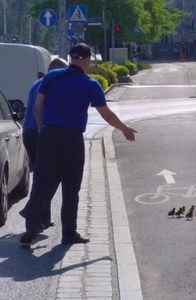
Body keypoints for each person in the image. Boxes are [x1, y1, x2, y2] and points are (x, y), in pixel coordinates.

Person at [20, 43, 137, 246]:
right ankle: (68, 233)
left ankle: (31, 227)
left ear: (71, 58)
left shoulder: (51, 77)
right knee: (71, 185)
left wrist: (42, 129)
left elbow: (38, 106)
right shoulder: (90, 84)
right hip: (72, 138)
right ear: (86, 60)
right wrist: (124, 128)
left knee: (42, 181)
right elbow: (106, 114)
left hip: (48, 135)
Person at [20, 57, 68, 230]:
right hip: (39, 132)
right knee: (51, 175)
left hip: (29, 131)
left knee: (44, 175)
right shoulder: (49, 85)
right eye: (65, 70)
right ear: (56, 71)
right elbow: (41, 108)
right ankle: (32, 211)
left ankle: (41, 217)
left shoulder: (39, 82)